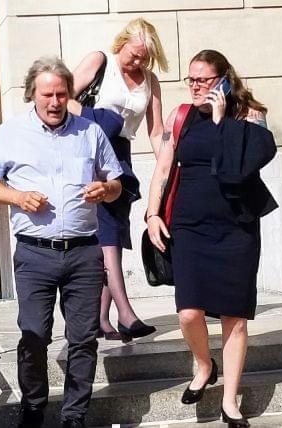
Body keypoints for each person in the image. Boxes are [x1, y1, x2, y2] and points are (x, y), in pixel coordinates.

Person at [0, 56, 123, 428]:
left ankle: (75, 415)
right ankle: (34, 408)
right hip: (35, 253)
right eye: (47, 95)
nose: (55, 102)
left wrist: (105, 189)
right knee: (34, 335)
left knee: (84, 338)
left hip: (84, 252)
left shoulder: (90, 132)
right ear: (32, 95)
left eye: (61, 94)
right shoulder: (10, 133)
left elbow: (116, 183)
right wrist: (17, 197)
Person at [146, 50, 277, 427]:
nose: (195, 87)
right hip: (190, 225)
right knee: (188, 312)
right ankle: (205, 364)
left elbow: (239, 168)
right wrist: (153, 214)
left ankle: (230, 399)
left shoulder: (250, 115)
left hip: (236, 227)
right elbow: (164, 167)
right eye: (191, 80)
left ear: (223, 78)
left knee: (235, 318)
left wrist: (222, 122)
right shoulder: (182, 116)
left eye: (202, 79)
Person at [68, 18, 169, 342]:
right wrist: (97, 119)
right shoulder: (100, 62)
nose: (137, 62)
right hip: (90, 151)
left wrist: (167, 167)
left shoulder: (150, 81)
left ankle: (100, 319)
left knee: (115, 235)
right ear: (122, 43)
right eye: (134, 54)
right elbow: (60, 99)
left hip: (121, 156)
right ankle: (125, 314)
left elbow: (155, 131)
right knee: (108, 234)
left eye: (144, 58)